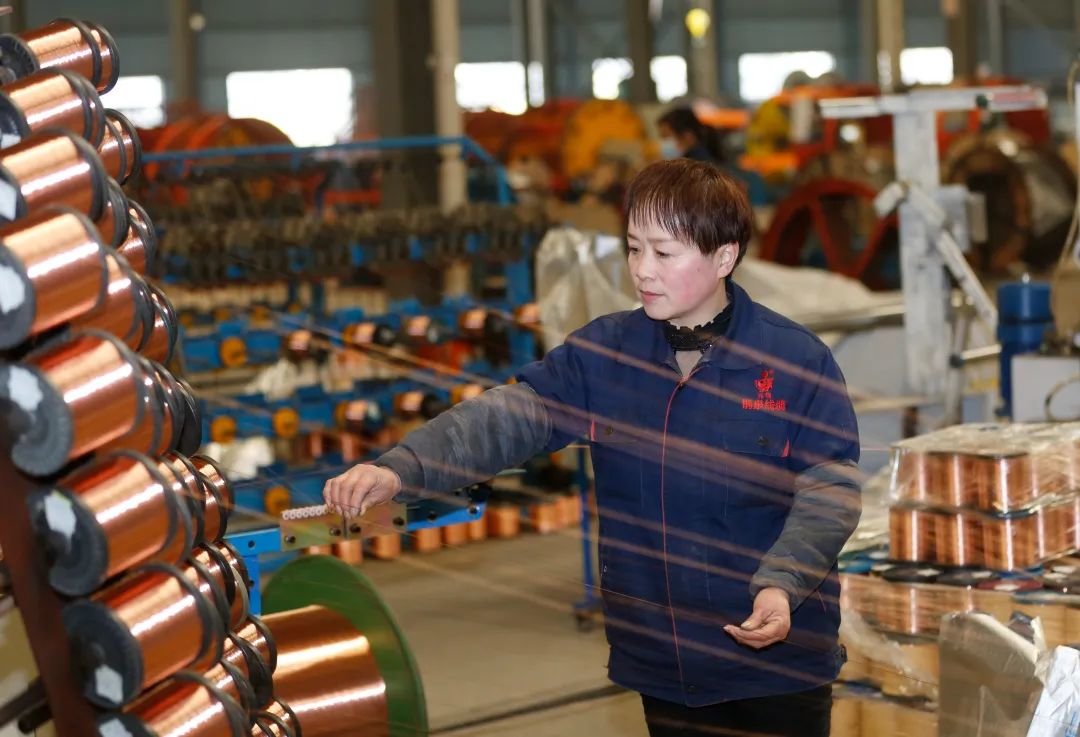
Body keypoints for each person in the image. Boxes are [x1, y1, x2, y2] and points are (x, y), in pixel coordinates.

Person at [323, 158, 862, 737]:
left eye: (664, 252)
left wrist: (782, 583)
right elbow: (505, 418)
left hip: (776, 660)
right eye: (633, 248)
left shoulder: (795, 361)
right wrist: (400, 470)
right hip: (665, 663)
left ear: (724, 257)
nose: (642, 270)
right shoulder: (606, 355)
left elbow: (829, 491)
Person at [657, 106, 725, 164]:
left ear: (687, 135)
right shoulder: (704, 159)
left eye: (666, 135)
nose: (664, 142)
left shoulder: (698, 166)